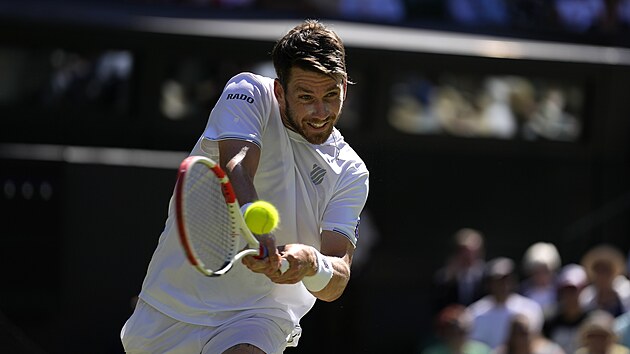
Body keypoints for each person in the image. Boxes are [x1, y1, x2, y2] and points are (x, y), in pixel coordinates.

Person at [120, 19, 370, 354]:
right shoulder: (249, 92)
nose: (320, 111)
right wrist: (256, 222)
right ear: (280, 91)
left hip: (261, 315)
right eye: (306, 96)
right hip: (169, 309)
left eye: (331, 95)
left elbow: (336, 279)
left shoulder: (351, 171)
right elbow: (236, 165)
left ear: (345, 88)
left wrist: (310, 262)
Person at [467, 257, 545, 349]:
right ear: (489, 283)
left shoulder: (531, 309)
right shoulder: (474, 313)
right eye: (498, 280)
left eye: (507, 279)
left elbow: (537, 342)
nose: (503, 284)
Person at [433, 228, 487, 312]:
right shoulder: (444, 278)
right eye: (464, 251)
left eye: (472, 252)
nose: (468, 256)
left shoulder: (487, 276)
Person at [543, 264, 591, 354]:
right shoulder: (550, 322)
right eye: (565, 290)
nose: (569, 295)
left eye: (573, 290)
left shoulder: (591, 320)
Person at [580, 244, 630, 317]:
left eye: (605, 270)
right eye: (598, 271)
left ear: (613, 272)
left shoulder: (627, 293)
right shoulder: (586, 297)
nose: (602, 275)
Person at [420, 304, 492, 354]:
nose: (460, 336)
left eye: (465, 330)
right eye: (454, 331)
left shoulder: (483, 350)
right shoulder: (432, 352)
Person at [520, 242, 562, 319]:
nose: (541, 275)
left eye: (545, 271)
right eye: (537, 271)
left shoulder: (560, 290)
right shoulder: (523, 291)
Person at [493, 313, 565, 354]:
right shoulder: (501, 352)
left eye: (525, 333)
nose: (521, 339)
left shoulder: (549, 350)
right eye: (517, 334)